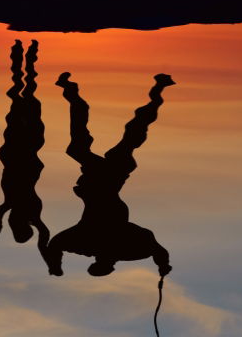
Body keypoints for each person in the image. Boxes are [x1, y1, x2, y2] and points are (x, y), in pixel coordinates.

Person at [44, 71, 175, 279]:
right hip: (110, 177)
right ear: (112, 264)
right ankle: (159, 89)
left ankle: (71, 92)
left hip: (98, 179)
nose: (105, 259)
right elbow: (156, 248)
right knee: (133, 132)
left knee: (81, 147)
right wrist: (163, 265)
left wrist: (55, 266)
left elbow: (55, 245)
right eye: (107, 263)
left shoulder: (86, 241)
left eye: (100, 262)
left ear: (96, 259)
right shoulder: (126, 242)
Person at [0, 39, 49, 268]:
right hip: (26, 151)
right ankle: (26, 58)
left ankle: (22, 57)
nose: (14, 224)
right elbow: (43, 238)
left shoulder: (8, 206)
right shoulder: (24, 210)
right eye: (20, 228)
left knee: (20, 99)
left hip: (17, 151)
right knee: (25, 98)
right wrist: (50, 263)